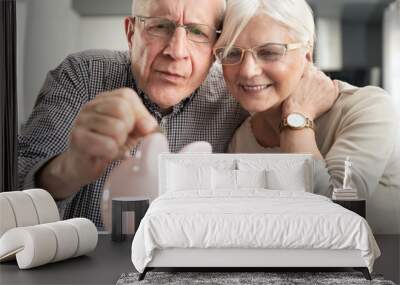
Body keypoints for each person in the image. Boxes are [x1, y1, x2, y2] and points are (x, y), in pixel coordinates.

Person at [18, 0, 248, 228]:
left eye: (198, 32)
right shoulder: (82, 76)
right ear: (131, 33)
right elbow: (13, 193)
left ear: (215, 50)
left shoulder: (234, 100)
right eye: (159, 26)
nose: (176, 52)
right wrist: (70, 168)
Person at [214, 0, 400, 202]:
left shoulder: (368, 107)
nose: (248, 71)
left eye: (270, 52)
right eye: (232, 53)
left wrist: (297, 120)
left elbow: (338, 212)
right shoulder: (241, 139)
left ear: (307, 53)